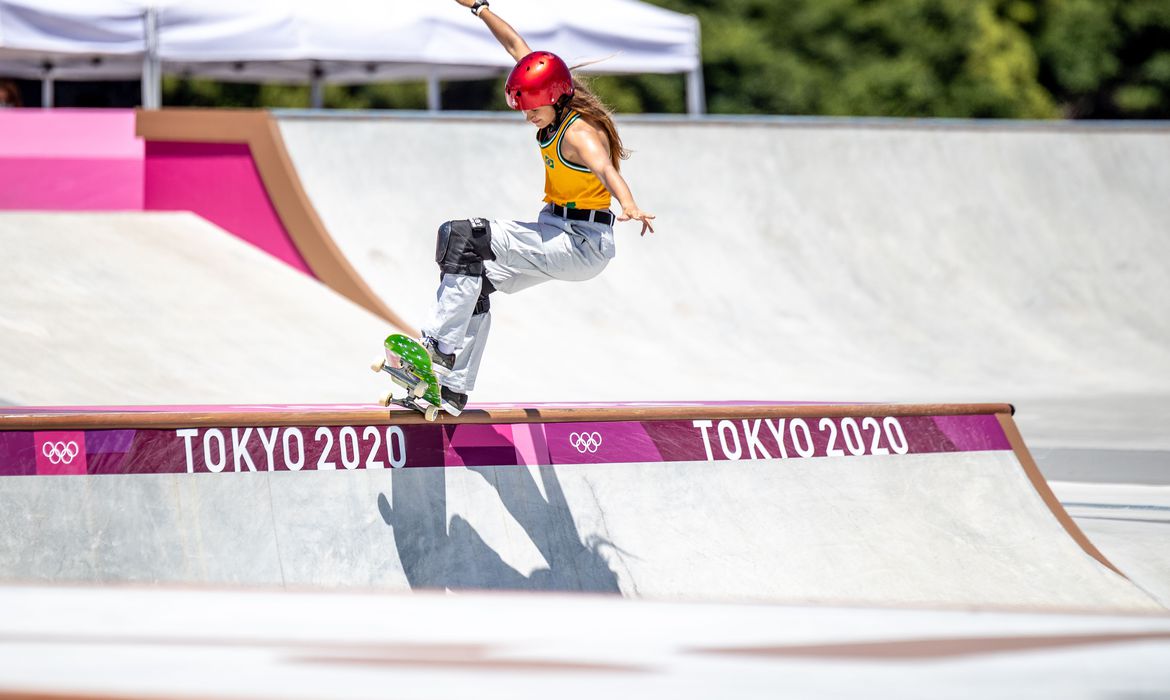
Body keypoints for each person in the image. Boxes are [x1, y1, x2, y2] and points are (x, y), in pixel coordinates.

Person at [418, 0, 656, 415]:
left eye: (533, 109)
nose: (528, 116)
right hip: (558, 231)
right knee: (477, 280)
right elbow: (515, 46)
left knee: (462, 235)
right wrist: (479, 8)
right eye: (523, 109)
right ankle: (452, 389)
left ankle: (439, 347)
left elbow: (604, 168)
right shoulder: (554, 99)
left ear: (555, 97)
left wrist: (630, 204)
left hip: (580, 242)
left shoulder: (579, 133)